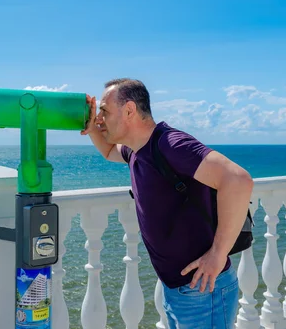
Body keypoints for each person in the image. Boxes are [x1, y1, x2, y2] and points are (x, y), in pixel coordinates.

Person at [81, 78, 254, 329]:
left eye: (105, 111)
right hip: (177, 289)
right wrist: (92, 127)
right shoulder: (135, 150)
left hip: (203, 290)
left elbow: (238, 180)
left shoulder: (170, 144)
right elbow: (109, 152)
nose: (100, 119)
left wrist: (217, 255)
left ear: (129, 110)